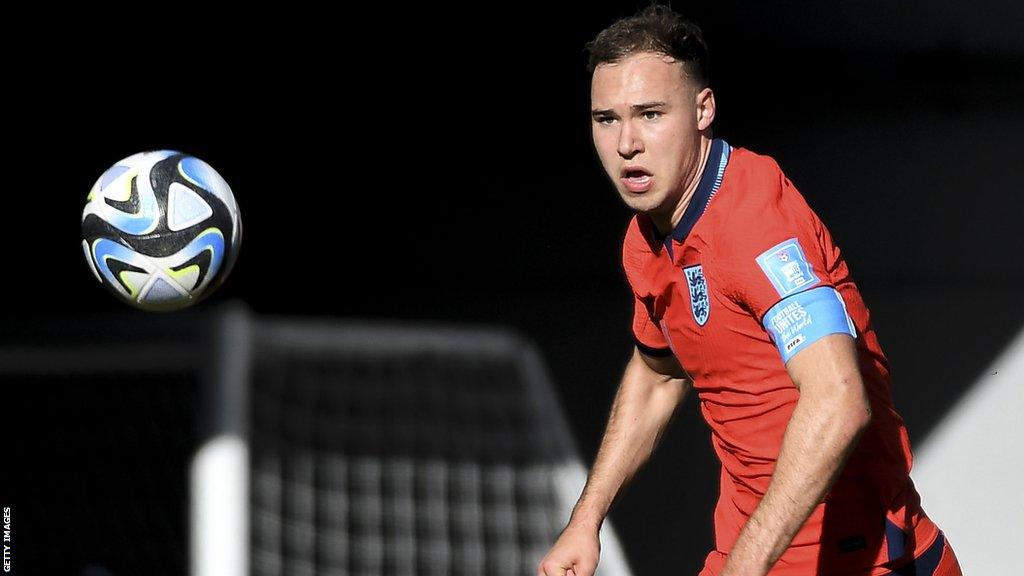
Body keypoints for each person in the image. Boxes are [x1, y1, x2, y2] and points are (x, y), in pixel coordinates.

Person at [537, 5, 962, 576]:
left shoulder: (754, 222)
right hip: (749, 555)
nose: (627, 142)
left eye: (650, 114)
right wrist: (586, 519)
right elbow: (659, 373)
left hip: (861, 563)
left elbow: (838, 402)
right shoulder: (645, 241)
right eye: (606, 119)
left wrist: (745, 568)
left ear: (703, 110)